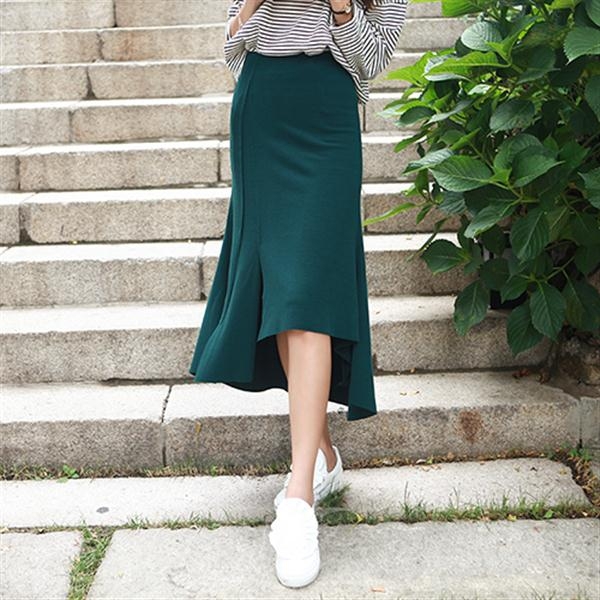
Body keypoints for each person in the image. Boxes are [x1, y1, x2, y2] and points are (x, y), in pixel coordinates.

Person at [189, 0, 407, 588]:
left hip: (329, 113)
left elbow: (372, 59)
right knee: (287, 295)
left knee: (307, 294)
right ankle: (320, 460)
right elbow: (231, 44)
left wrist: (340, 7)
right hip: (263, 108)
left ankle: (299, 498)